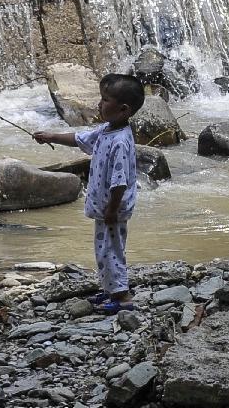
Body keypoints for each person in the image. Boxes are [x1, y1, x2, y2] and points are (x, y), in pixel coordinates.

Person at [32, 73, 145, 314]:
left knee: (112, 250)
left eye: (105, 100)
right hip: (105, 207)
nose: (99, 104)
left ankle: (123, 297)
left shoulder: (121, 141)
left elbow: (120, 181)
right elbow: (79, 139)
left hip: (112, 209)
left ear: (123, 109)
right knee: (103, 248)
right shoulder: (106, 130)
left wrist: (113, 209)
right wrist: (50, 136)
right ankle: (109, 289)